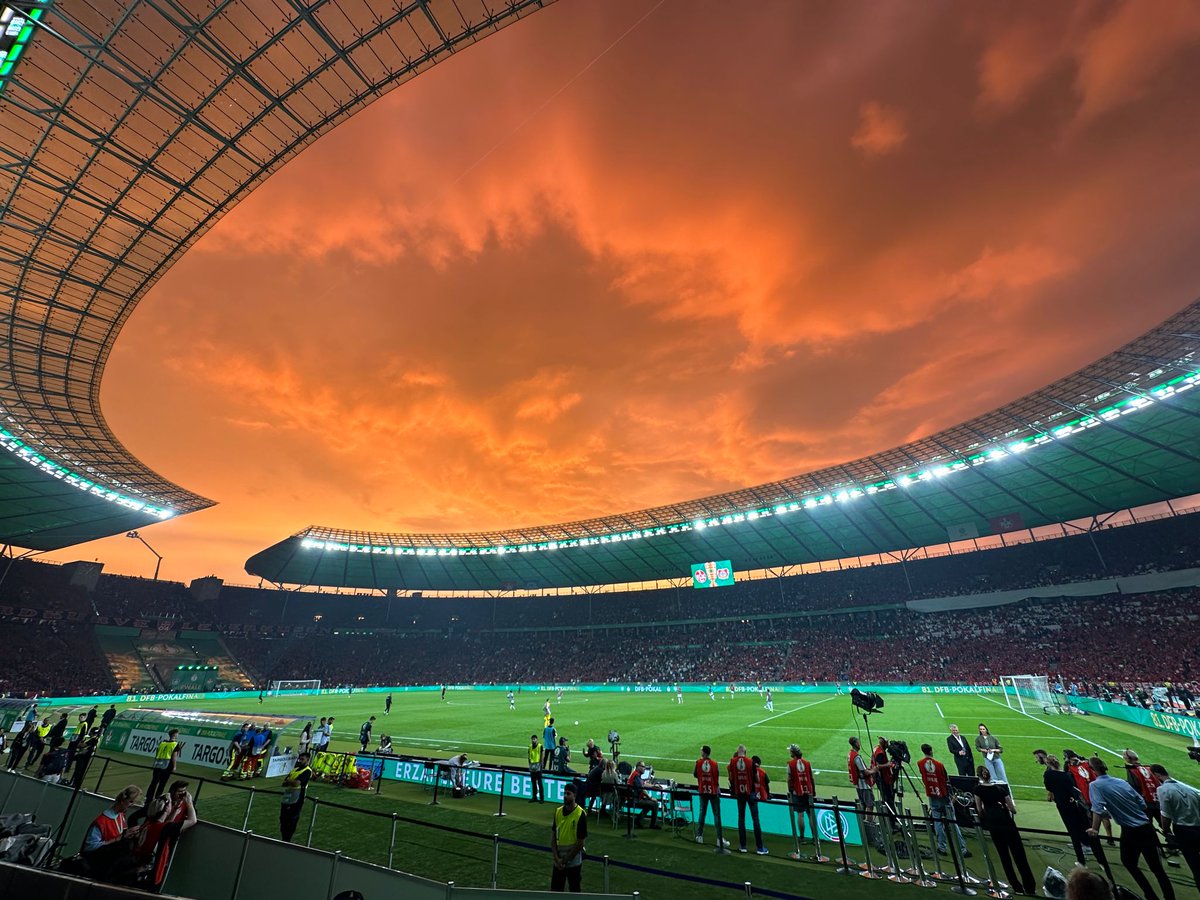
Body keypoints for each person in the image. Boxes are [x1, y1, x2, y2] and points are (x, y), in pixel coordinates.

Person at [1086, 755, 1174, 900]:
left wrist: (1094, 828)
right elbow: (1141, 803)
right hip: (1147, 828)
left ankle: (1150, 895)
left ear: (1092, 770)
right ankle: (1169, 897)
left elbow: (1097, 809)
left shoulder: (1095, 785)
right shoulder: (1121, 782)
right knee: (1157, 869)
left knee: (1129, 862)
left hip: (1131, 831)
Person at [974, 766, 1036, 895]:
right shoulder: (1000, 789)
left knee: (1004, 856)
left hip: (994, 824)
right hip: (1007, 823)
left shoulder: (978, 790)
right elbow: (1013, 809)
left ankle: (1016, 887)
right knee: (1020, 855)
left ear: (979, 776)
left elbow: (979, 810)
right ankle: (1030, 887)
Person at [1043, 754, 1109, 873]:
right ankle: (1102, 861)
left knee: (1074, 833)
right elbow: (1074, 789)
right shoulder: (1067, 775)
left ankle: (1081, 862)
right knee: (1089, 831)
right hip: (1077, 805)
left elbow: (1049, 787)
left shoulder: (1048, 775)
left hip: (1064, 806)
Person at [80, 785, 144, 880]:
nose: (132, 805)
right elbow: (89, 847)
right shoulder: (101, 822)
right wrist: (118, 839)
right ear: (123, 800)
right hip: (99, 862)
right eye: (130, 802)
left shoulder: (120, 816)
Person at [1152, 763, 1199, 890]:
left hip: (1184, 831)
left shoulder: (1162, 790)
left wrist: (1166, 831)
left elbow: (1165, 815)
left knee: (1195, 865)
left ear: (1157, 775)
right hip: (1198, 827)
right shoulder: (1189, 789)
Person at [918, 744, 969, 860]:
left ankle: (941, 848)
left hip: (932, 795)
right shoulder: (939, 765)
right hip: (944, 796)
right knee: (953, 823)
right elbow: (946, 780)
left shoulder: (920, 764)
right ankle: (962, 849)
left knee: (938, 823)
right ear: (931, 751)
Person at [550, 782, 588, 892]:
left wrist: (564, 860)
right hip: (559, 861)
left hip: (573, 861)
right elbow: (553, 837)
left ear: (574, 796)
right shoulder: (558, 812)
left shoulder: (580, 814)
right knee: (556, 890)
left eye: (568, 793)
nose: (565, 796)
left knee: (574, 890)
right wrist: (557, 859)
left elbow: (580, 843)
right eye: (564, 793)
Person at [729, 745, 766, 854]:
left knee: (741, 819)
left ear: (738, 752)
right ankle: (760, 848)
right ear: (745, 752)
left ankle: (743, 846)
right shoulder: (751, 762)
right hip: (751, 793)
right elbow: (757, 779)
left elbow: (731, 778)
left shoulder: (733, 762)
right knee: (755, 819)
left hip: (739, 794)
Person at [694, 745, 729, 851]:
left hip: (702, 791)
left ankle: (699, 836)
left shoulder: (698, 763)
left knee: (702, 813)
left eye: (701, 751)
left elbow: (695, 774)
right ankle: (719, 839)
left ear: (703, 753)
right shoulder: (714, 764)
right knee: (716, 815)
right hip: (713, 792)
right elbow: (716, 777)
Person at [787, 744, 819, 850]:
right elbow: (812, 778)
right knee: (810, 815)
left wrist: (790, 791)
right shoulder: (807, 763)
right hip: (808, 791)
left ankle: (802, 838)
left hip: (797, 792)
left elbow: (789, 779)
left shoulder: (790, 764)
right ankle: (815, 838)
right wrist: (813, 790)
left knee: (800, 815)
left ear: (793, 753)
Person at [1123, 749, 1164, 830]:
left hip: (1146, 803)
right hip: (1157, 801)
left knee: (1148, 826)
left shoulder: (1132, 770)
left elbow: (1133, 788)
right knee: (1163, 824)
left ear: (1128, 759)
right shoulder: (1149, 768)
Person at [279, 751, 313, 842]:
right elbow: (284, 783)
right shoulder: (295, 769)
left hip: (297, 798)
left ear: (308, 760)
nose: (300, 761)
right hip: (287, 796)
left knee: (291, 819)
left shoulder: (307, 771)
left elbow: (296, 783)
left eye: (303, 759)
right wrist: (291, 781)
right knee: (283, 818)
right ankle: (284, 838)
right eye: (300, 759)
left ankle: (287, 840)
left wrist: (290, 780)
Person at [147, 728, 182, 799]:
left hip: (157, 764)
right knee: (162, 784)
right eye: (177, 733)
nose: (178, 735)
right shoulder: (175, 744)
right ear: (174, 734)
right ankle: (158, 798)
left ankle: (148, 798)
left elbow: (157, 752)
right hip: (167, 766)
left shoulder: (162, 743)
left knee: (154, 782)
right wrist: (174, 766)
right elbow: (174, 756)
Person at [626, 760, 660, 829]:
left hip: (634, 798)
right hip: (635, 799)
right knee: (655, 804)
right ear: (638, 767)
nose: (644, 768)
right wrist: (650, 798)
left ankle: (638, 820)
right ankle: (653, 824)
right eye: (643, 766)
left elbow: (643, 784)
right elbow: (642, 789)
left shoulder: (635, 774)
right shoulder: (636, 775)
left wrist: (653, 786)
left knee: (650, 804)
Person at [528, 734, 544, 804]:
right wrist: (529, 765)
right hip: (532, 767)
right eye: (532, 739)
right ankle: (534, 797)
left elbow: (542, 755)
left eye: (534, 739)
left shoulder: (540, 746)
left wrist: (541, 765)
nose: (533, 740)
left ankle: (542, 798)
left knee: (540, 783)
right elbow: (529, 756)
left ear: (537, 739)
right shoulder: (530, 747)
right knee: (533, 783)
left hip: (538, 766)